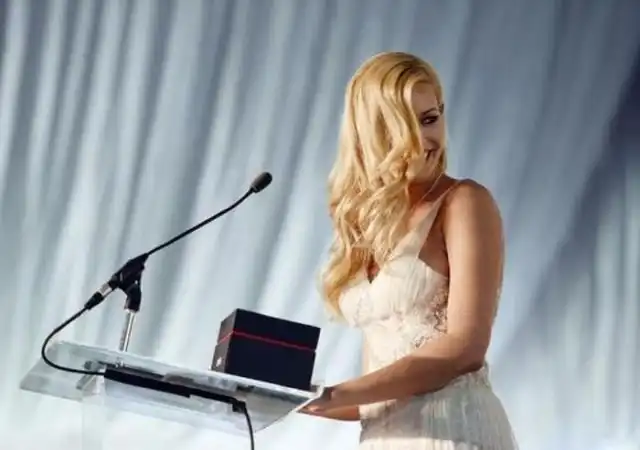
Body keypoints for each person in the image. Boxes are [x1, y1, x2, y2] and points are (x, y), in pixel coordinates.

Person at [302, 52, 518, 449]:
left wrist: (334, 395)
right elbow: (380, 386)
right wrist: (296, 399)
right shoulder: (369, 222)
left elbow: (465, 348)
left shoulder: (464, 202)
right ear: (369, 133)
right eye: (401, 126)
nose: (422, 140)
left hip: (455, 433)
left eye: (430, 119)